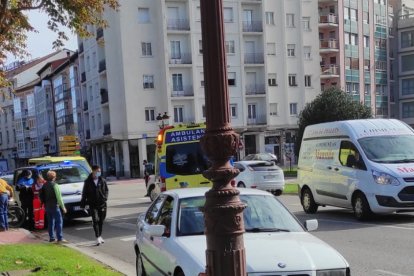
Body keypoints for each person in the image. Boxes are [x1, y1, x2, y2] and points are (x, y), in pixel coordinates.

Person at [80, 165, 109, 246]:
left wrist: (105, 197)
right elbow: (84, 193)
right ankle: (97, 237)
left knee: (101, 221)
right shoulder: (87, 181)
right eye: (97, 171)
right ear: (93, 171)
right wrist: (82, 204)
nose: (99, 173)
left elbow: (106, 190)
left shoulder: (102, 180)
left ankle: (100, 235)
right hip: (93, 204)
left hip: (102, 204)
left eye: (99, 171)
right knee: (95, 220)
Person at [40, 170, 67, 243]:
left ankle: (51, 238)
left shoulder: (44, 185)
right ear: (54, 177)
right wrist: (63, 207)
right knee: (59, 222)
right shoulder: (55, 185)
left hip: (47, 206)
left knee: (51, 222)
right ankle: (60, 238)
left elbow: (42, 196)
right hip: (55, 206)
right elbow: (59, 197)